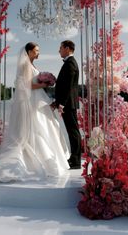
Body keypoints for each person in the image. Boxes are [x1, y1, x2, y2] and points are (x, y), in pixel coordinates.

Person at [0, 42, 69, 206]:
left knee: (44, 129)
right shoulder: (24, 65)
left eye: (39, 50)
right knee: (35, 132)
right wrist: (43, 84)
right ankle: (28, 163)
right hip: (30, 104)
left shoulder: (31, 64)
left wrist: (44, 82)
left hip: (36, 101)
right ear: (28, 51)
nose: (38, 53)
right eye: (36, 51)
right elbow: (25, 85)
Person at [52, 40, 81, 169]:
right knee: (71, 132)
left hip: (69, 104)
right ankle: (74, 159)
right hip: (67, 104)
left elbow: (68, 87)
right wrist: (57, 102)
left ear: (67, 48)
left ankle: (75, 161)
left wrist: (62, 104)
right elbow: (63, 86)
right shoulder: (69, 63)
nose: (59, 50)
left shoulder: (70, 64)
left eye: (61, 48)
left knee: (73, 132)